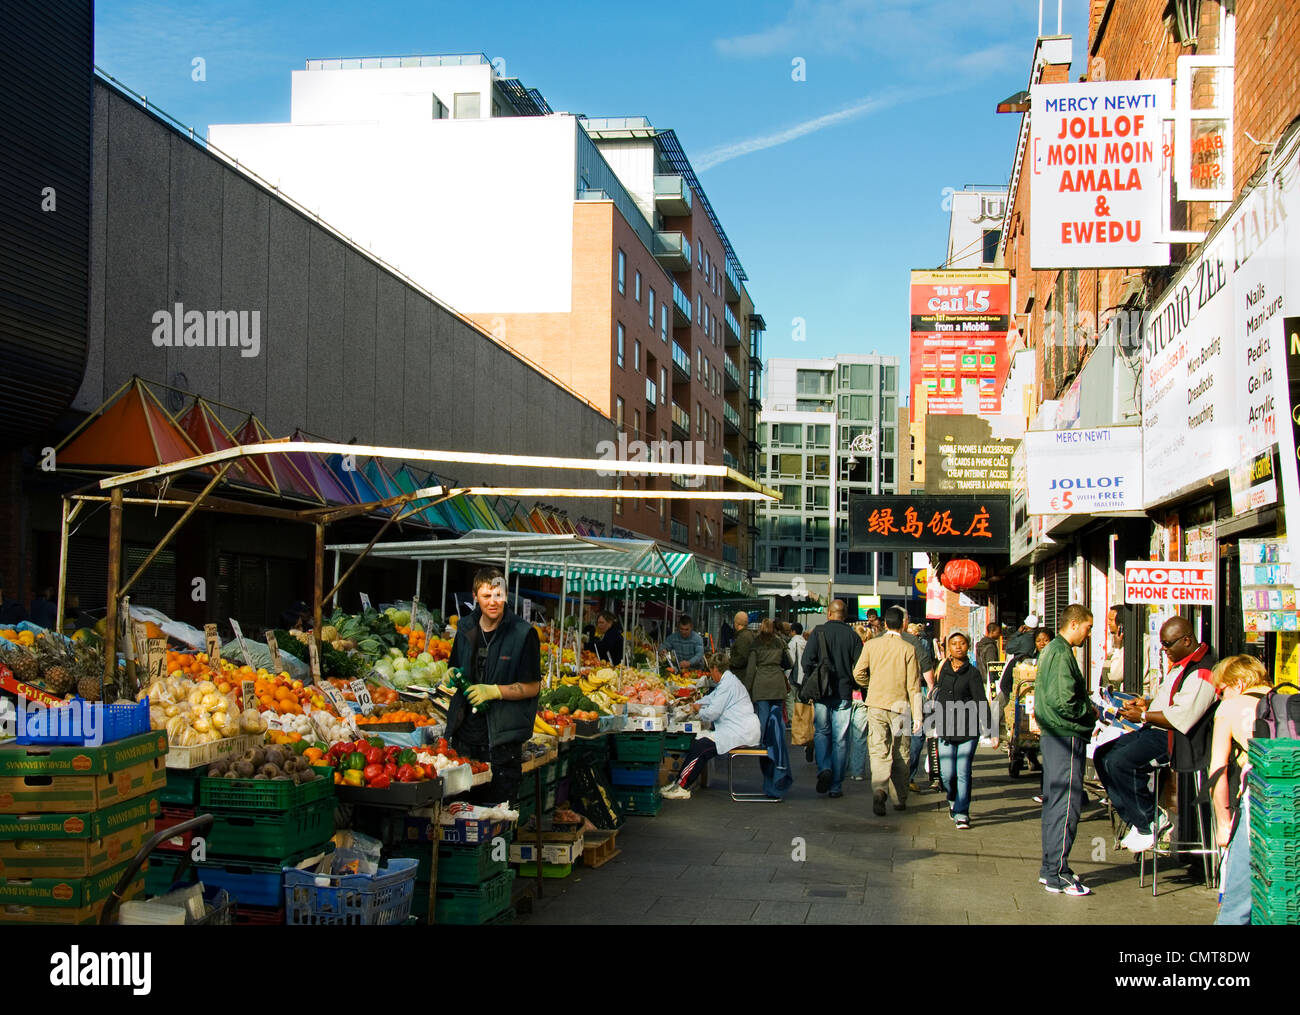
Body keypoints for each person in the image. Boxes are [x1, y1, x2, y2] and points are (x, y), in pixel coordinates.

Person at [1095, 615, 1219, 854]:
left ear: (1186, 640)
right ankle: (1139, 822)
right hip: (1154, 728)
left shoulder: (1203, 670)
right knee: (1103, 755)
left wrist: (1143, 716)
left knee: (1121, 762)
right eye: (1161, 644)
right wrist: (1146, 704)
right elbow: (1172, 699)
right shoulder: (1183, 662)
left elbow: (1182, 716)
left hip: (1175, 738)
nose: (1164, 650)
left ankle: (1150, 821)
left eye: (1168, 644)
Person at [444, 567, 542, 805]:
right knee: (460, 810)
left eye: (498, 595)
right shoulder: (465, 627)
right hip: (464, 737)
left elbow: (533, 687)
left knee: (496, 814)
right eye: (486, 596)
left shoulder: (523, 633)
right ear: (475, 596)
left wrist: (494, 691)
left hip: (501, 741)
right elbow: (455, 664)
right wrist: (451, 674)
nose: (493, 602)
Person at [1034, 604, 1097, 896]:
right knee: (1065, 805)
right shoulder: (1060, 652)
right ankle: (1058, 872)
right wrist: (1090, 712)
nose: (1089, 633)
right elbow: (1064, 701)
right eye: (1088, 627)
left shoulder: (1052, 651)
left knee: (1056, 803)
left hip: (1055, 734)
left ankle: (1051, 869)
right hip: (1065, 734)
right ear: (1074, 624)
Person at [1208, 655, 1272, 925]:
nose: (1220, 698)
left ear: (1239, 683)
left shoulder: (1232, 708)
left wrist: (1223, 824)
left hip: (1260, 804)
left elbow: (1217, 772)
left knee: (1238, 900)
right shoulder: (1289, 700)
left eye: (1222, 691)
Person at [661, 652, 762, 800]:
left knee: (701, 747)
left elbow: (713, 713)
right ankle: (679, 782)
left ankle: (682, 786)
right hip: (736, 728)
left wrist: (698, 710)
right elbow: (712, 697)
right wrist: (697, 703)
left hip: (739, 731)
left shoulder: (728, 684)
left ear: (715, 669)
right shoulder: (728, 682)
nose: (710, 675)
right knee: (700, 743)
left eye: (711, 671)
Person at [853, 606, 923, 816]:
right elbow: (914, 685)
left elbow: (858, 673)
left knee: (878, 750)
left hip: (875, 704)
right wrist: (918, 714)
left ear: (884, 624)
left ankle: (880, 788)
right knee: (901, 752)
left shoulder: (871, 645)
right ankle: (899, 797)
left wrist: (870, 685)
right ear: (903, 624)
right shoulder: (908, 649)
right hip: (900, 707)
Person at [930, 631, 997, 829]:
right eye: (954, 644)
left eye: (962, 643)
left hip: (968, 729)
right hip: (945, 728)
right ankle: (952, 798)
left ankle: (962, 812)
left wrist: (992, 731)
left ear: (968, 646)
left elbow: (980, 701)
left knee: (963, 771)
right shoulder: (942, 668)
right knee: (947, 774)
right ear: (948, 648)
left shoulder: (973, 673)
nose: (958, 646)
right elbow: (937, 695)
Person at [801, 602, 865, 798]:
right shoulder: (853, 636)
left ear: (829, 613)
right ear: (844, 615)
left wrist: (816, 676)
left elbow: (805, 662)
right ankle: (836, 785)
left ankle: (824, 768)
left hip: (822, 692)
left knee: (821, 731)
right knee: (840, 739)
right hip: (844, 692)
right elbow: (860, 666)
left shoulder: (818, 632)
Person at [743, 618, 794, 798]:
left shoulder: (756, 644)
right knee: (777, 717)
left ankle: (765, 744)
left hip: (762, 684)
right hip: (777, 684)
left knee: (763, 718)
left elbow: (750, 670)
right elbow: (790, 663)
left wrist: (747, 690)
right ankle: (776, 742)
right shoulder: (780, 642)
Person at [900, 609, 938, 792]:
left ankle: (891, 777)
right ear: (905, 622)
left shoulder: (878, 640)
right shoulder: (915, 641)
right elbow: (926, 665)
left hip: (889, 697)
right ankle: (908, 776)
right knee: (916, 733)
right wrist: (931, 688)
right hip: (915, 692)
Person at [784, 621, 813, 758]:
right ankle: (801, 722)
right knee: (801, 701)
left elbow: (790, 661)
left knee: (791, 699)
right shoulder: (805, 642)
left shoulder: (792, 643)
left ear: (793, 631)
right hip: (804, 676)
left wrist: (787, 675)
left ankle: (793, 721)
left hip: (794, 676)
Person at [1098, 605, 1125, 692]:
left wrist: (1117, 648)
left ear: (1120, 624)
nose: (1108, 623)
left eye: (1111, 620)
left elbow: (1114, 675)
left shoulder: (1124, 646)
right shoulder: (1117, 641)